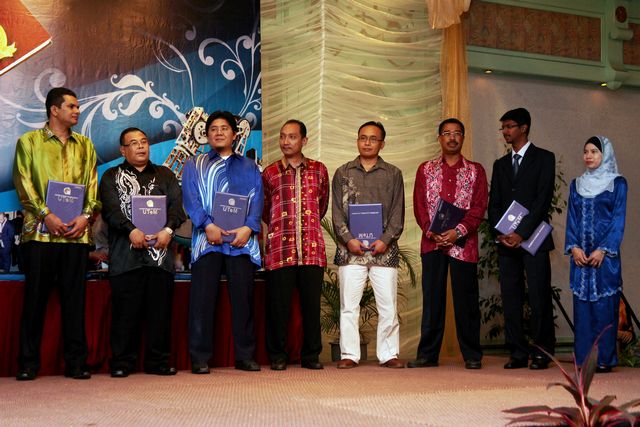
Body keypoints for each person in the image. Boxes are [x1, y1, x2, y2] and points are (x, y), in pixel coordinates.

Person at [12, 87, 100, 380]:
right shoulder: (29, 142)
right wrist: (46, 215)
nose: (77, 111)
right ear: (54, 110)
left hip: (76, 235)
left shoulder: (85, 145)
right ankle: (28, 364)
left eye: (77, 107)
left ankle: (76, 363)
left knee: (75, 301)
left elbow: (92, 186)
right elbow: (23, 183)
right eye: (71, 106)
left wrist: (85, 217)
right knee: (35, 300)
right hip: (40, 234)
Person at [99, 127, 186, 378]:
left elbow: (177, 208)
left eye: (144, 142)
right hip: (125, 256)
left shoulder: (165, 175)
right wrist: (131, 230)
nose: (141, 146)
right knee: (125, 313)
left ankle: (158, 361)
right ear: (123, 150)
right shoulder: (111, 176)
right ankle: (122, 362)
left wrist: (167, 230)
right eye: (134, 143)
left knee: (160, 313)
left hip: (160, 256)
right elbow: (111, 210)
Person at [183, 110, 263, 373]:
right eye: (213, 129)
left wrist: (248, 228)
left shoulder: (250, 166)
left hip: (241, 242)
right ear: (206, 135)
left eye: (224, 128)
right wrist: (207, 225)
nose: (218, 132)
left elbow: (257, 200)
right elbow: (191, 200)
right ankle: (200, 357)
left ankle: (245, 356)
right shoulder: (194, 164)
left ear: (234, 134)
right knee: (202, 300)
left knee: (243, 300)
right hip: (208, 240)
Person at [409, 118, 488, 370]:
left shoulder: (476, 171)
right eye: (447, 133)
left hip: (464, 245)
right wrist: (430, 230)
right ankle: (427, 355)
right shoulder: (426, 169)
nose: (452, 137)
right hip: (432, 243)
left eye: (457, 133)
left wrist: (458, 231)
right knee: (432, 299)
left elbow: (479, 207)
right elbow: (419, 204)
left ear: (463, 138)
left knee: (467, 300)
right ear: (439, 138)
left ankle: (472, 355)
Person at [332, 121, 405, 369]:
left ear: (382, 144)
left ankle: (388, 354)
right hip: (350, 251)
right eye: (363, 137)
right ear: (357, 141)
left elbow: (398, 213)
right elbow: (337, 213)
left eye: (373, 139)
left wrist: (385, 240)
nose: (367, 142)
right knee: (348, 306)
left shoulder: (393, 174)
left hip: (384, 251)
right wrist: (349, 240)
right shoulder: (343, 172)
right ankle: (349, 354)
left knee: (388, 305)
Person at [488, 107, 556, 370]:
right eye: (503, 127)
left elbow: (543, 200)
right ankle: (517, 352)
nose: (505, 131)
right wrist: (502, 232)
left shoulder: (545, 158)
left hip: (534, 238)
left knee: (539, 295)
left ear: (524, 128)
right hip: (506, 241)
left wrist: (521, 233)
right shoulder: (500, 164)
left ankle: (542, 352)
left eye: (509, 126)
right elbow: (494, 204)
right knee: (511, 297)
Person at [262, 119, 329, 371]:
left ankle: (311, 356)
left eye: (292, 137)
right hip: (280, 249)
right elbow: (265, 210)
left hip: (311, 249)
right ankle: (277, 356)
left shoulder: (319, 170)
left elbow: (321, 205)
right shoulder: (270, 172)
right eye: (282, 136)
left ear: (304, 140)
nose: (285, 141)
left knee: (311, 307)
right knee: (278, 308)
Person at [565, 136, 627, 373]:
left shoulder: (617, 184)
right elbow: (572, 219)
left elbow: (618, 220)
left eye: (594, 151)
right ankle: (583, 360)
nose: (588, 156)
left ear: (605, 154)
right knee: (582, 310)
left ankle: (604, 360)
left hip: (605, 259)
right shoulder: (577, 184)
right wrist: (574, 247)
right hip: (580, 259)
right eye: (586, 151)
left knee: (604, 309)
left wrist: (603, 249)